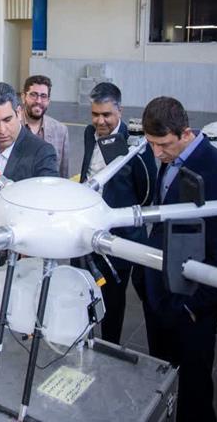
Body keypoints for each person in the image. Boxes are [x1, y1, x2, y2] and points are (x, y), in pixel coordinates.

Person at [133, 96, 217, 422]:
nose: (156, 153)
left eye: (163, 144)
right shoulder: (171, 157)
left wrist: (193, 308)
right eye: (151, 144)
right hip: (160, 295)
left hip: (191, 307)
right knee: (164, 383)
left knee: (194, 396)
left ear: (185, 132)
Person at [78, 82, 157, 344]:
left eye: (106, 115)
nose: (100, 121)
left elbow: (146, 192)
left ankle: (109, 346)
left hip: (118, 236)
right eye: (95, 114)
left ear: (119, 111)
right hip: (86, 230)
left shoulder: (135, 143)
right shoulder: (89, 133)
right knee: (83, 291)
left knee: (112, 300)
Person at [0, 82, 58, 327]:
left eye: (7, 120)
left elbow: (48, 209)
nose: (1, 129)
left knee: (19, 330)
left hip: (19, 263)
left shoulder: (41, 152)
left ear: (19, 112)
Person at [20, 75, 70, 177]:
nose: (38, 101)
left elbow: (63, 175)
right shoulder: (11, 127)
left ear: (48, 101)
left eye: (43, 96)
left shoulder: (61, 131)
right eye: (33, 95)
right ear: (23, 97)